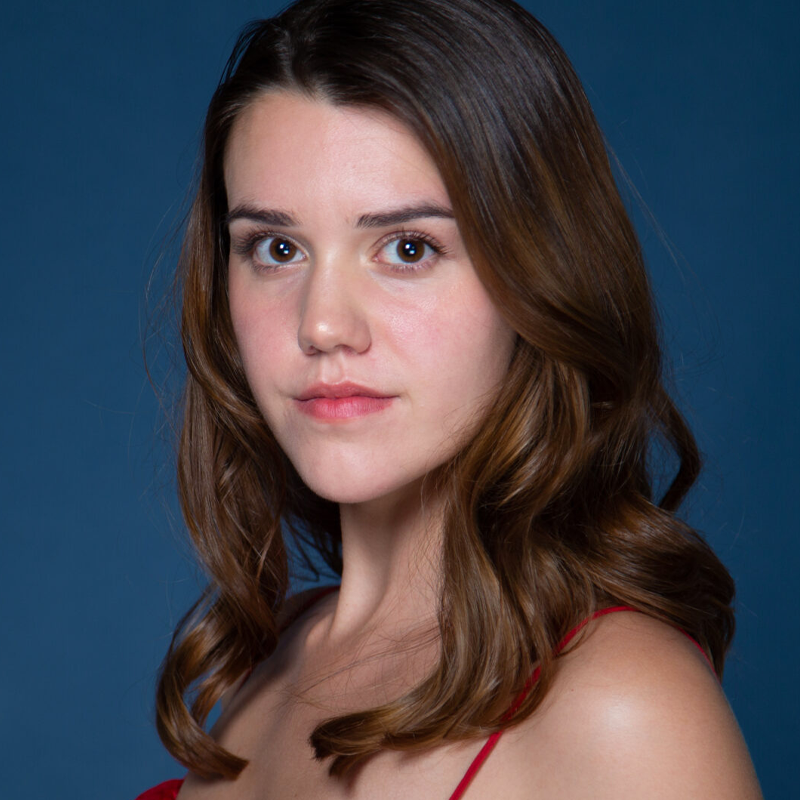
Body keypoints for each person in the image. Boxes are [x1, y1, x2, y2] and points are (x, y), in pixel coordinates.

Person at [138, 0, 762, 797]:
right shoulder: (261, 662)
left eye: (407, 248)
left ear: (536, 275)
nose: (324, 324)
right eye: (277, 247)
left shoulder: (624, 709)